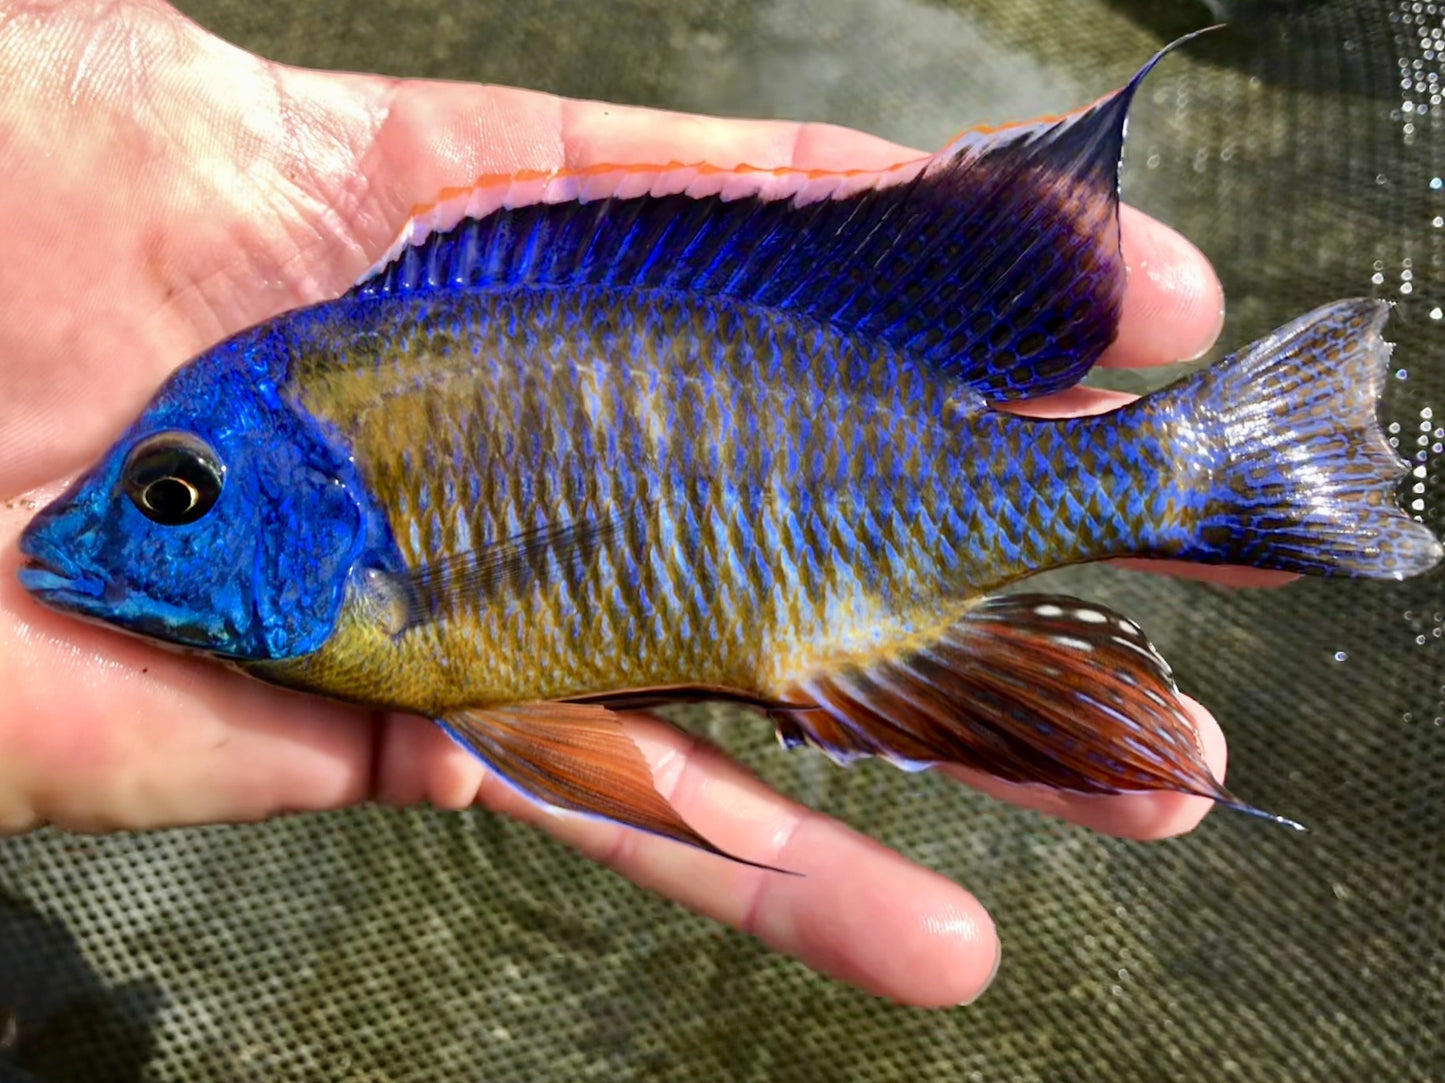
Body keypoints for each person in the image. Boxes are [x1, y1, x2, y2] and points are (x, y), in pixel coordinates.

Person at [0, 0, 1265, 1007]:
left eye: (174, 493)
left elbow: (496, 694)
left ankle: (1223, 476)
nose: (103, 532)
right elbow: (518, 715)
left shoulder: (365, 532)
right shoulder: (339, 478)